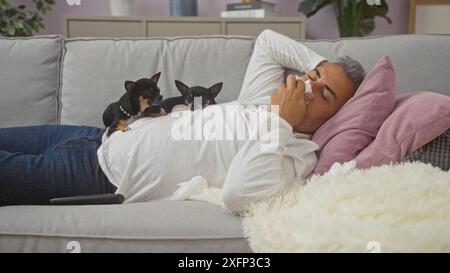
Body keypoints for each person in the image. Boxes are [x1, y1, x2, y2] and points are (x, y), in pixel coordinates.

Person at [0, 29, 366, 212]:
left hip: (94, 175)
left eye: (325, 94)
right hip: (100, 135)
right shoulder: (260, 100)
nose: (309, 86)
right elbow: (268, 40)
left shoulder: (296, 156)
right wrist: (322, 69)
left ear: (339, 115)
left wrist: (283, 121)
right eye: (312, 76)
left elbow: (239, 195)